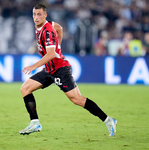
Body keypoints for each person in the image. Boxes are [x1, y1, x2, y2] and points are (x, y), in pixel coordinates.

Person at [19, 4, 117, 136]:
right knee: (25, 89)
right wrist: (58, 44)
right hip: (49, 69)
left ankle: (108, 120)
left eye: (39, 14)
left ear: (45, 15)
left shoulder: (47, 31)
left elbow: (51, 54)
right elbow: (60, 28)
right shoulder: (49, 25)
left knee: (77, 99)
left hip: (60, 69)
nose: (36, 17)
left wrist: (33, 66)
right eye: (34, 14)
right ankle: (35, 123)